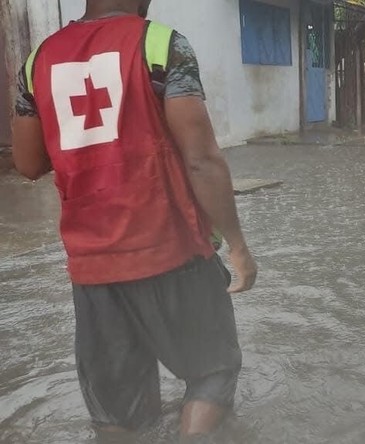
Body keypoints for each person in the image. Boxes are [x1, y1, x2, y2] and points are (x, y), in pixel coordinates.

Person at [11, 0, 258, 440]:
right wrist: (238, 245)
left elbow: (28, 163)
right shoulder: (160, 44)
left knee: (117, 413)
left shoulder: (37, 61)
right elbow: (200, 157)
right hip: (172, 250)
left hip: (92, 268)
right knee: (211, 372)